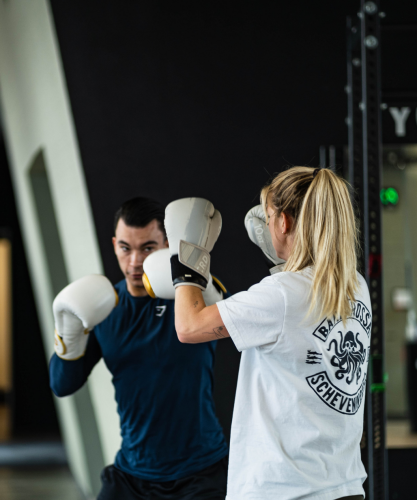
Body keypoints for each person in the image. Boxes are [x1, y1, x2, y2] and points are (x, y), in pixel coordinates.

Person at [161, 169, 370, 500]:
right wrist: (287, 252)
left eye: (271, 216)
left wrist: (184, 257)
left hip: (284, 491)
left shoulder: (281, 294)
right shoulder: (355, 285)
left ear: (284, 223)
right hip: (343, 487)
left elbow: (188, 326)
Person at [49, 197, 229, 500]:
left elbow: (227, 319)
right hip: (132, 474)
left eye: (147, 248)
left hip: (201, 472)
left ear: (166, 244)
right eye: (125, 248)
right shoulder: (102, 307)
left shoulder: (191, 298)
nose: (134, 262)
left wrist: (190, 271)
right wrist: (67, 334)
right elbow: (62, 384)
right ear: (114, 244)